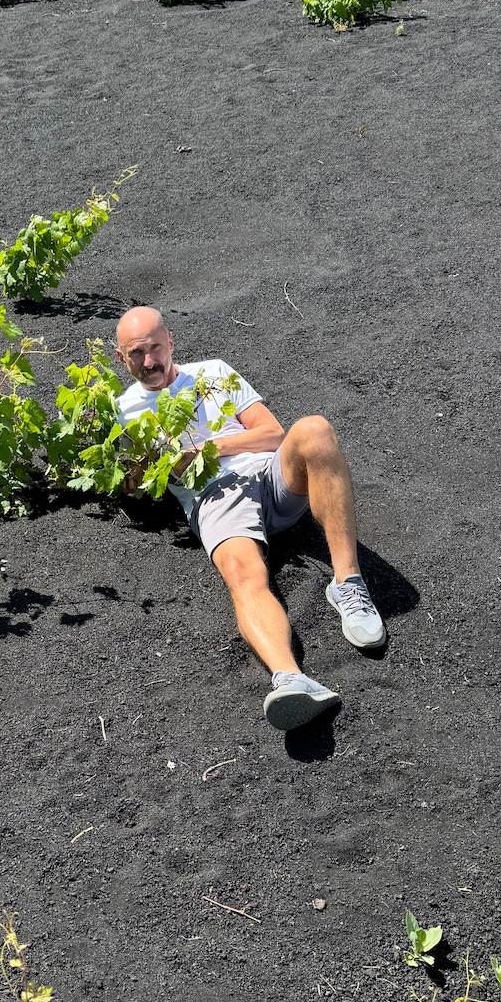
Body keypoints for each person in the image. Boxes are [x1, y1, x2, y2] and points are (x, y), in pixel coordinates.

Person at [114, 305, 385, 731]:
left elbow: (273, 433)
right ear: (120, 357)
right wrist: (150, 471)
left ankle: (347, 583)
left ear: (171, 343)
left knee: (313, 429)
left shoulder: (213, 372)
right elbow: (130, 482)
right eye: (136, 353)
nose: (149, 361)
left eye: (155, 348)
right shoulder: (122, 410)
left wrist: (209, 449)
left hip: (267, 472)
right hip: (212, 497)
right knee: (242, 572)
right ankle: (291, 679)